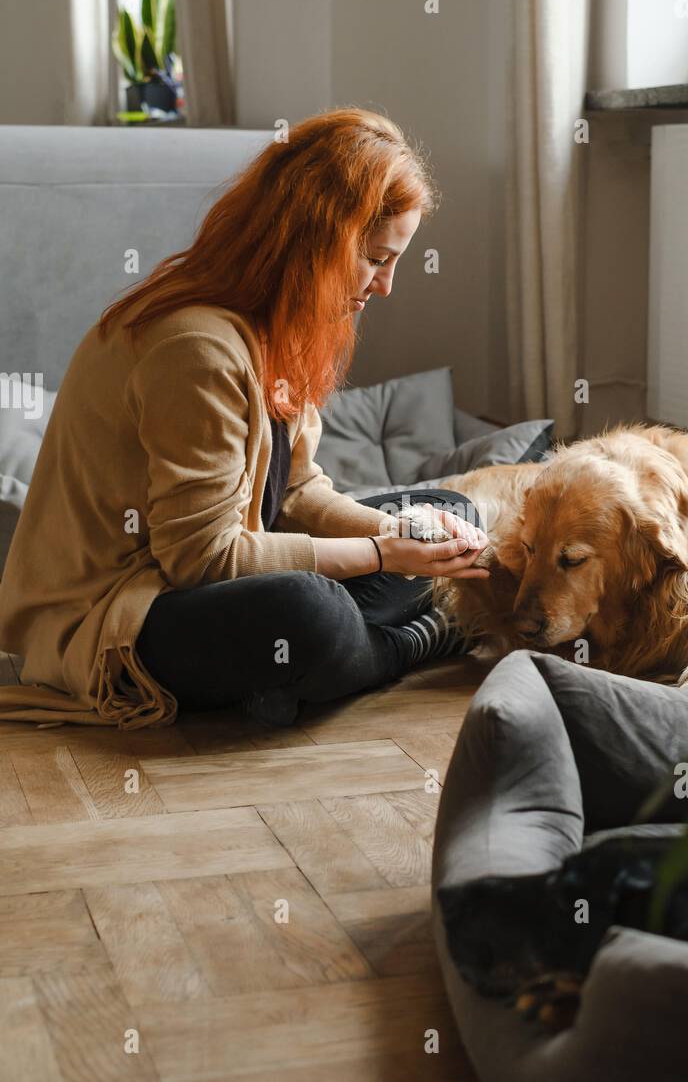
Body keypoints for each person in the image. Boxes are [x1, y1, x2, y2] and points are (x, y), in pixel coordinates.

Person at [0, 108, 490, 731]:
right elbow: (201, 560)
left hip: (215, 577)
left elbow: (296, 491)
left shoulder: (280, 323)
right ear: (315, 244)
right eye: (374, 258)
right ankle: (412, 643)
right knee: (307, 611)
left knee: (451, 509)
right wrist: (379, 553)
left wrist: (411, 537)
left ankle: (293, 677)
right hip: (124, 613)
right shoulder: (194, 346)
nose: (386, 286)